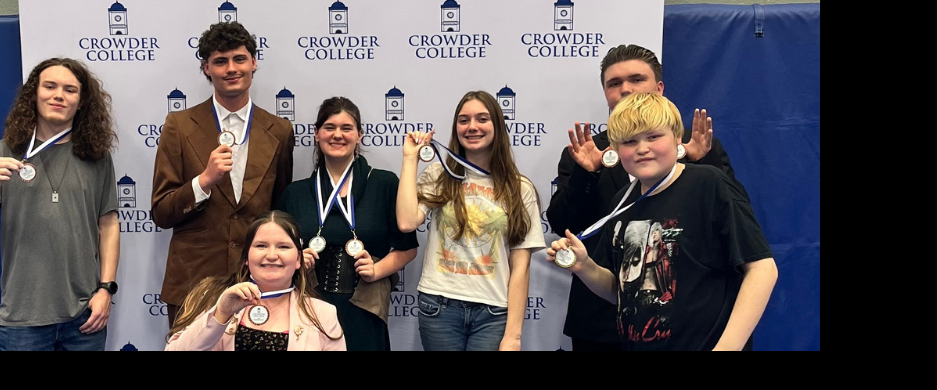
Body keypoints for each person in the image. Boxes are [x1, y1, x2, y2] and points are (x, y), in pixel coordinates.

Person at [546, 43, 747, 351]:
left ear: (659, 87)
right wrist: (587, 174)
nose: (626, 89)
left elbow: (735, 226)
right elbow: (565, 224)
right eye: (615, 83)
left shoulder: (699, 151)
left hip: (688, 323)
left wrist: (698, 160)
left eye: (637, 79)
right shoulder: (587, 151)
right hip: (601, 318)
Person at [0, 57, 120, 351]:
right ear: (34, 94)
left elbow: (108, 223)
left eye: (69, 90)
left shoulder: (96, 155)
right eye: (50, 86)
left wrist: (106, 289)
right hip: (23, 317)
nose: (58, 95)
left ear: (82, 100)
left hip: (84, 315)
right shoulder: (6, 150)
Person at [151, 21, 295, 328]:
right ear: (206, 68)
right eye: (220, 61)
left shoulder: (280, 131)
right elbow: (161, 212)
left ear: (253, 62)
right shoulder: (179, 125)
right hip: (193, 283)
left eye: (239, 59)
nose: (231, 69)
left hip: (257, 284)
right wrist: (203, 182)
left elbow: (280, 213)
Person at [396, 91, 545, 351]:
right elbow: (407, 222)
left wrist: (514, 335)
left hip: (493, 312)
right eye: (463, 120)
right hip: (439, 307)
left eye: (482, 119)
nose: (472, 127)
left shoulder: (520, 189)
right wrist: (410, 159)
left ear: (497, 125)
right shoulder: (439, 174)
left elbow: (520, 268)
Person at [275, 97, 419, 351]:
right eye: (329, 127)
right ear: (317, 134)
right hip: (309, 309)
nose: (337, 135)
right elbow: (275, 250)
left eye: (346, 128)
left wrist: (377, 269)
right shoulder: (295, 194)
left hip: (364, 310)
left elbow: (408, 248)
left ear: (359, 135)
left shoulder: (384, 185)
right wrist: (296, 259)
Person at [165, 211, 346, 351]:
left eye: (283, 247)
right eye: (261, 246)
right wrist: (221, 314)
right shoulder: (214, 297)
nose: (272, 255)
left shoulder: (323, 315)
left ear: (298, 259)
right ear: (246, 257)